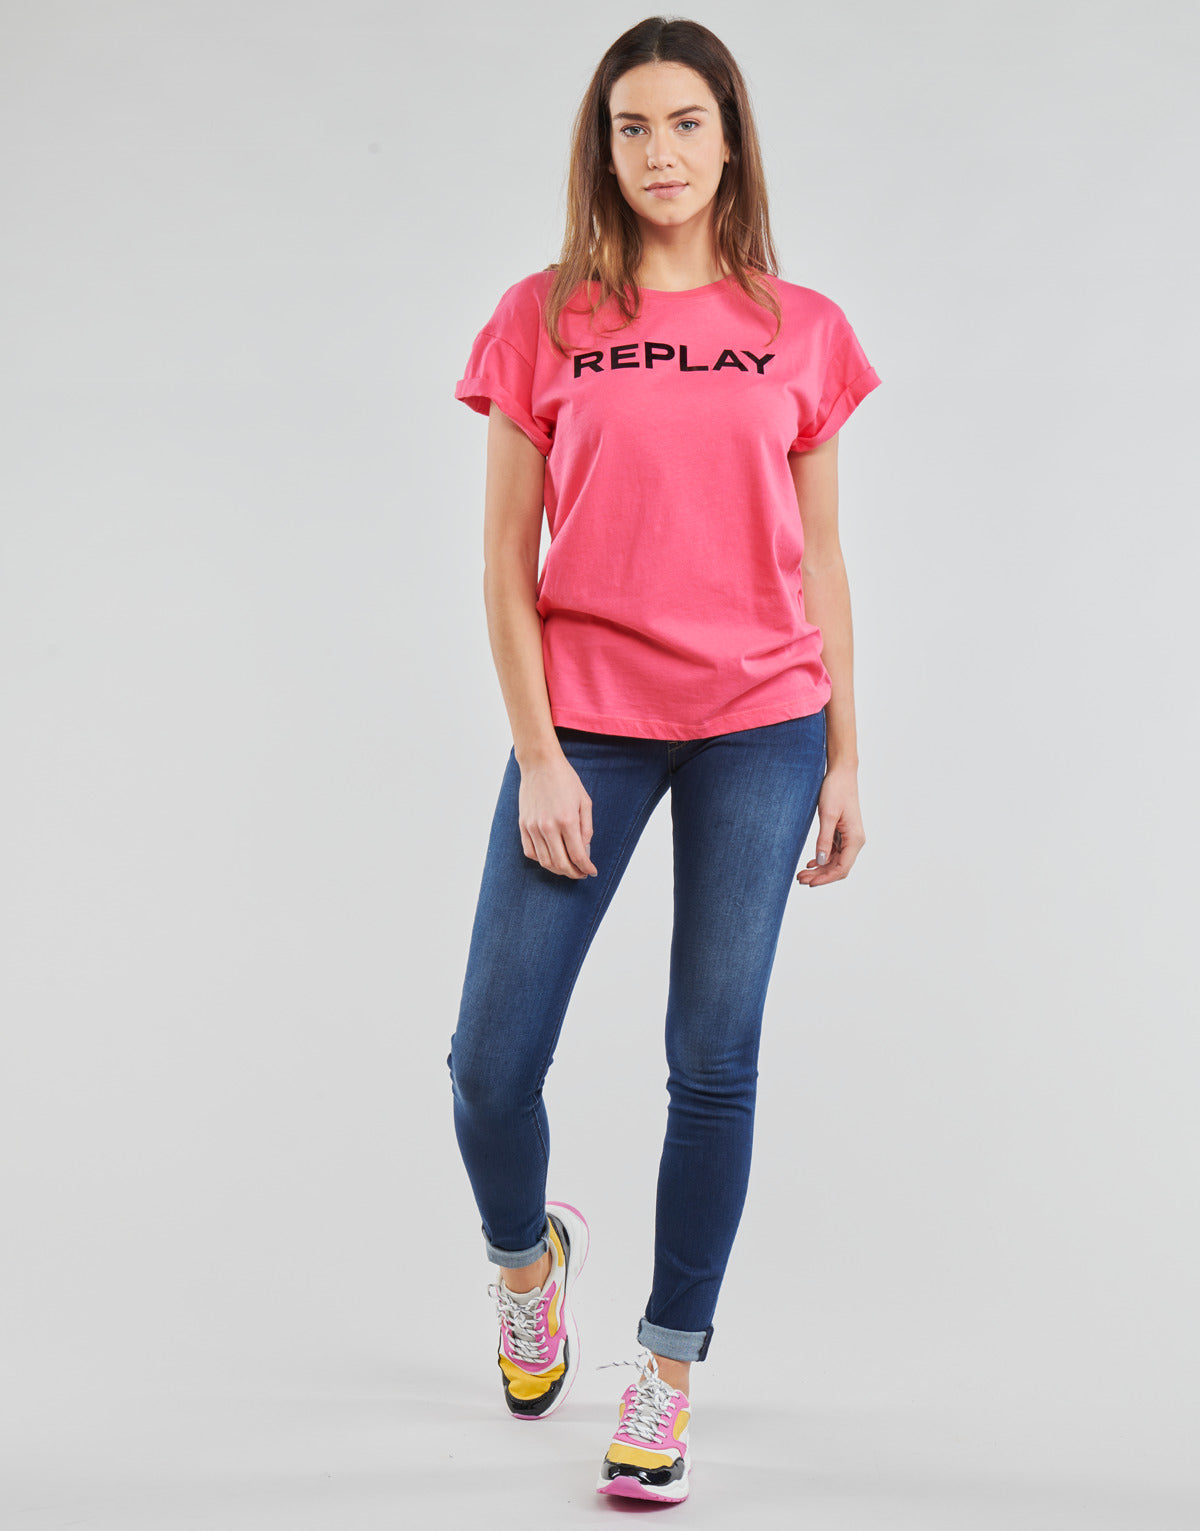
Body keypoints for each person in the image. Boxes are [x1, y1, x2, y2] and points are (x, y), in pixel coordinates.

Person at [447, 14, 881, 1506]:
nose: (661, 152)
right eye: (632, 127)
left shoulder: (801, 328)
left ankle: (667, 1366)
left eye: (688, 123)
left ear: (731, 140)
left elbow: (822, 559)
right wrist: (540, 754)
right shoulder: (543, 315)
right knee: (491, 1067)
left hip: (762, 720)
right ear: (603, 148)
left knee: (715, 1058)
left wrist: (845, 753)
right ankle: (528, 1266)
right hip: (588, 725)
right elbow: (504, 565)